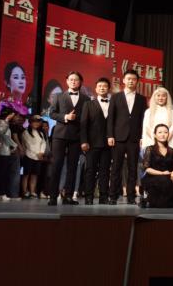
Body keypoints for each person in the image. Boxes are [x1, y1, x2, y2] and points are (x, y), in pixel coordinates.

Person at [48, 71, 90, 206]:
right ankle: (52, 196)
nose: (73, 81)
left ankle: (68, 196)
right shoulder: (59, 96)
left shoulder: (86, 99)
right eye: (71, 79)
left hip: (76, 136)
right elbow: (52, 113)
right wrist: (65, 117)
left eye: (76, 79)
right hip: (60, 135)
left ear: (80, 82)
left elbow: (86, 120)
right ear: (67, 81)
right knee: (57, 165)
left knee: (73, 168)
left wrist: (84, 139)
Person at [107, 69, 147, 205]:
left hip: (134, 138)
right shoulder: (115, 97)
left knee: (133, 168)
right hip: (118, 137)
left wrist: (142, 136)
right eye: (128, 79)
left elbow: (143, 119)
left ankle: (131, 196)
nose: (131, 81)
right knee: (116, 168)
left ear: (137, 81)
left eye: (134, 79)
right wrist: (110, 135)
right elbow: (111, 118)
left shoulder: (141, 99)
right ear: (123, 80)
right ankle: (112, 196)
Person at [80, 77, 112, 205]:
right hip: (92, 143)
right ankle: (89, 196)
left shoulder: (113, 104)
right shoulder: (88, 104)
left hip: (108, 144)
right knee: (90, 170)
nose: (102, 88)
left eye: (105, 86)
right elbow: (83, 124)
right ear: (96, 88)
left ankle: (104, 196)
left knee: (105, 171)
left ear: (108, 89)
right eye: (100, 86)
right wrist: (84, 141)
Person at [141, 124, 173, 208]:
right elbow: (147, 168)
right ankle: (148, 199)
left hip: (168, 177)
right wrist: (162, 173)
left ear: (168, 134)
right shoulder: (150, 149)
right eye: (160, 132)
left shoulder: (172, 151)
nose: (163, 134)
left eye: (165, 132)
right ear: (155, 135)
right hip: (152, 177)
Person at [0, 108, 18, 201]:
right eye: (14, 115)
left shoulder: (2, 123)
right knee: (0, 174)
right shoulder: (2, 123)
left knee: (2, 174)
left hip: (4, 151)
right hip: (2, 152)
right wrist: (14, 145)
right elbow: (4, 136)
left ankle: (0, 193)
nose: (16, 117)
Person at [20, 115, 47, 199]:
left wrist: (41, 152)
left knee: (34, 175)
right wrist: (38, 153)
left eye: (38, 122)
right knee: (26, 175)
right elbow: (29, 144)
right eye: (34, 121)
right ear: (30, 122)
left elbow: (43, 143)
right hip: (28, 156)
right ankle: (25, 192)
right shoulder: (26, 132)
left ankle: (32, 192)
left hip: (38, 158)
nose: (36, 123)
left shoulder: (41, 133)